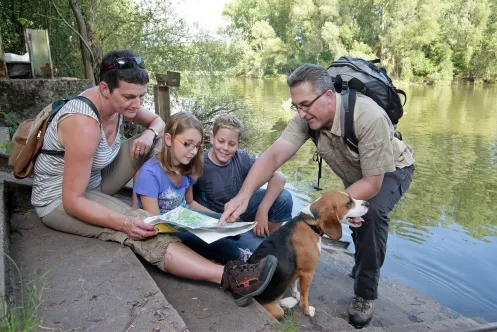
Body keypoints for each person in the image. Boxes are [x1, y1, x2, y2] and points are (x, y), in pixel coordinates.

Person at [30, 49, 278, 307]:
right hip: (60, 199)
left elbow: (158, 122)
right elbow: (72, 201)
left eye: (141, 96)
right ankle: (230, 278)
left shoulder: (122, 102)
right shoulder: (83, 123)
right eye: (129, 97)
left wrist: (148, 134)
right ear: (104, 89)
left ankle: (167, 203)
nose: (136, 105)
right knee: (142, 225)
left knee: (159, 142)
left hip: (96, 181)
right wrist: (125, 222)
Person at [219, 63, 415, 326]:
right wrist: (244, 196)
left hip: (388, 171)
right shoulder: (308, 117)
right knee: (348, 214)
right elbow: (275, 154)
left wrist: (321, 208)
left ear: (328, 96)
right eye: (296, 106)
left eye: (305, 105)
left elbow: (371, 182)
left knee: (373, 214)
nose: (301, 113)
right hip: (355, 170)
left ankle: (365, 294)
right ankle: (361, 260)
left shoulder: (369, 118)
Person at [133, 111, 249, 264]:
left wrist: (220, 218)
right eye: (187, 144)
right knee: (229, 248)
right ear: (168, 139)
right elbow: (156, 224)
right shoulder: (150, 174)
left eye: (197, 146)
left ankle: (213, 250)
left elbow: (190, 203)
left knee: (233, 229)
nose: (193, 152)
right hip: (166, 229)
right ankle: (232, 257)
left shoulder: (187, 166)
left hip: (187, 218)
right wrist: (199, 231)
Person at [193, 113, 293, 252]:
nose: (225, 148)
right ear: (212, 137)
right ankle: (258, 243)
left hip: (241, 211)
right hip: (217, 219)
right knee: (258, 250)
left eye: (232, 144)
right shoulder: (198, 162)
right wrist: (218, 219)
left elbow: (279, 178)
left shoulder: (243, 158)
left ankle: (269, 237)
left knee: (284, 197)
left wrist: (262, 210)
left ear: (238, 144)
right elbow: (189, 202)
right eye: (221, 141)